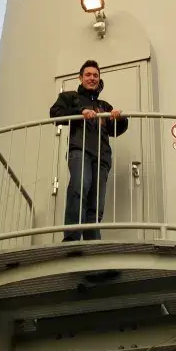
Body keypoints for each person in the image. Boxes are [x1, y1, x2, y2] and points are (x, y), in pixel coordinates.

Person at [49, 60, 128, 241]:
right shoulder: (70, 97)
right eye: (88, 75)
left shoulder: (104, 105)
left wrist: (119, 118)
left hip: (102, 156)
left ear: (99, 79)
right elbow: (55, 114)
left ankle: (93, 241)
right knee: (79, 187)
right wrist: (80, 112)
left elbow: (115, 131)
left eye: (95, 75)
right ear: (80, 77)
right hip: (80, 150)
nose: (92, 78)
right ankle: (72, 238)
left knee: (96, 202)